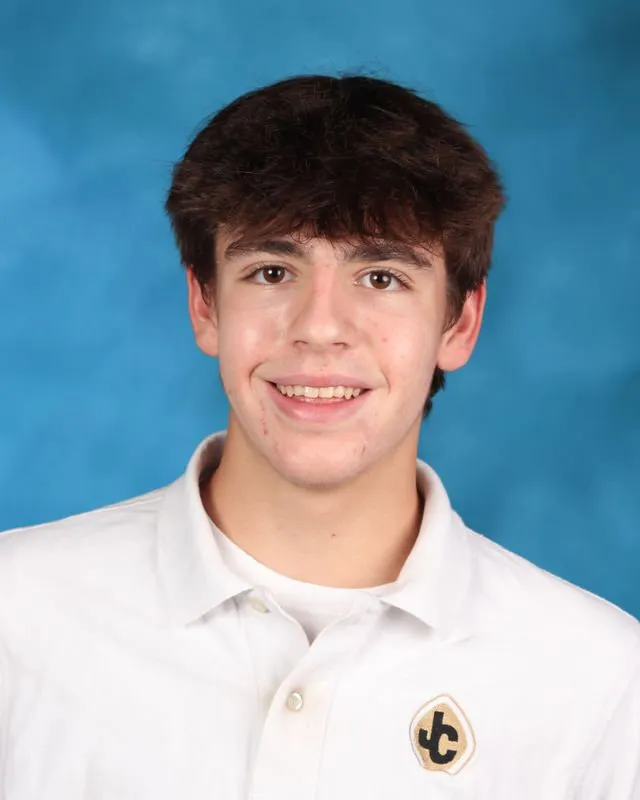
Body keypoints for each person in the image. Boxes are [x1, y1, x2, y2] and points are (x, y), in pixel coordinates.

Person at [0, 73, 638, 800]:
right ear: (204, 305)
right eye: (273, 271)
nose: (320, 326)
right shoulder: (15, 617)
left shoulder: (598, 683)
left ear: (458, 324)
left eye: (382, 277)